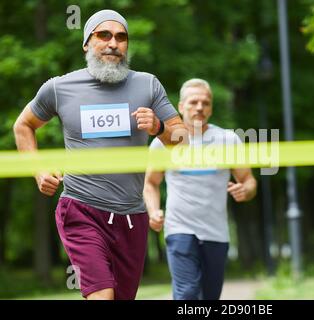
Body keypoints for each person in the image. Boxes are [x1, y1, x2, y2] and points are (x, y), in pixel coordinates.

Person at [13, 9, 188, 300]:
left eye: (121, 37)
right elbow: (24, 126)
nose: (113, 43)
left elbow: (182, 140)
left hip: (132, 217)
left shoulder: (147, 85)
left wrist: (158, 127)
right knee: (102, 295)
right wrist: (38, 170)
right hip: (81, 209)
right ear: (87, 43)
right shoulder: (59, 88)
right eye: (103, 35)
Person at [144, 78, 257, 300]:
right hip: (180, 229)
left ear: (211, 108)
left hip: (216, 232)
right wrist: (153, 211)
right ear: (180, 106)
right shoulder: (164, 142)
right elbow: (151, 183)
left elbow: (249, 180)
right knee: (187, 294)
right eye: (193, 102)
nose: (199, 107)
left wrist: (246, 190)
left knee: (209, 297)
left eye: (205, 103)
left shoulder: (227, 139)